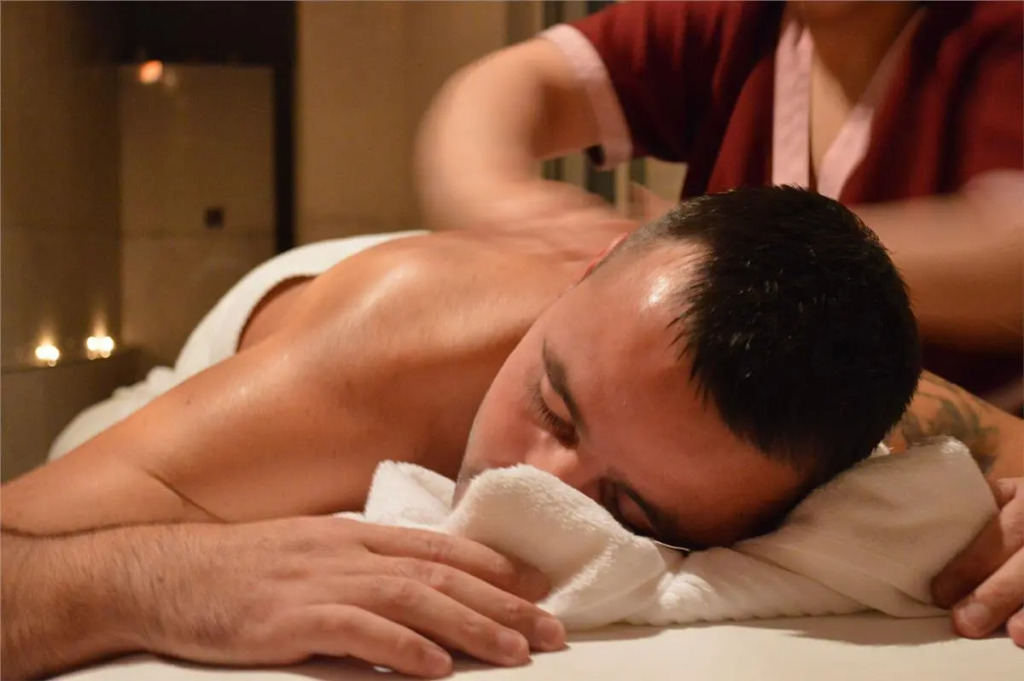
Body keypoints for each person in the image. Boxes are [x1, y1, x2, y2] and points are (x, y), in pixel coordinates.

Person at [0, 188, 1020, 680]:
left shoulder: (820, 399)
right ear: (588, 274)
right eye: (553, 407)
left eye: (628, 506)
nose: (526, 479)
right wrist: (164, 581)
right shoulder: (369, 366)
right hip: (243, 353)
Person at [416, 0, 1024, 409]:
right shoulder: (740, 19)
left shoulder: (997, 32)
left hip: (961, 453)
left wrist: (722, 252)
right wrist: (503, 201)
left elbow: (1008, 256)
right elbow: (505, 86)